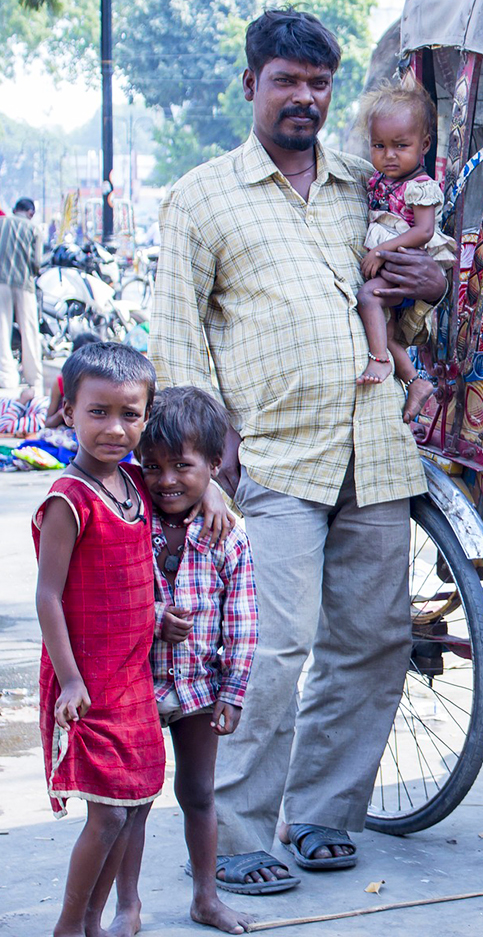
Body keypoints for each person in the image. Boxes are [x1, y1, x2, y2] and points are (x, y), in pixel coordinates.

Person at [150, 9, 447, 893]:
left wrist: (430, 281)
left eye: (319, 85)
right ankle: (238, 833)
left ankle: (321, 814)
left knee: (372, 640)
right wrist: (205, 462)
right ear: (251, 86)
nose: (303, 99)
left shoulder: (368, 183)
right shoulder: (203, 196)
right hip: (270, 457)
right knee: (266, 651)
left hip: (377, 449)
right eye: (286, 81)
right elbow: (175, 340)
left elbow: (409, 298)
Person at [113, 387, 258, 935]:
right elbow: (107, 591)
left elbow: (244, 621)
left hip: (200, 687)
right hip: (136, 684)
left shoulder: (227, 536)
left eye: (183, 466)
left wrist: (233, 692)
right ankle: (129, 905)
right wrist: (153, 617)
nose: (166, 480)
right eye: (152, 467)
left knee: (199, 793)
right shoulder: (132, 521)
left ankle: (206, 897)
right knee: (133, 801)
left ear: (214, 465)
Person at [32, 343, 162, 937]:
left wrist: (211, 491)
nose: (115, 428)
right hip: (86, 681)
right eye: (98, 412)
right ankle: (68, 926)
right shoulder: (69, 499)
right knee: (107, 813)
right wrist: (71, 679)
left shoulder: (136, 483)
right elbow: (48, 596)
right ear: (67, 410)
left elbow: (193, 481)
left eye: (130, 414)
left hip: (133, 678)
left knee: (134, 804)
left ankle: (94, 922)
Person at [355, 83, 457, 422]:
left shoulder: (420, 187)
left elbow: (424, 231)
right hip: (391, 263)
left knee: (368, 298)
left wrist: (382, 250)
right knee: (384, 327)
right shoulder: (379, 181)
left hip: (402, 265)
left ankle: (380, 360)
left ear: (424, 145)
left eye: (401, 146)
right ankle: (414, 383)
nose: (389, 155)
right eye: (379, 146)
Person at [0, 197, 44, 398]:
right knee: (29, 331)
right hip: (24, 284)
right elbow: (37, 263)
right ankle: (34, 377)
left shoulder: (2, 223)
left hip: (1, 282)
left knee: (2, 330)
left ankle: (7, 377)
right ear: (30, 213)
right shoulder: (34, 229)